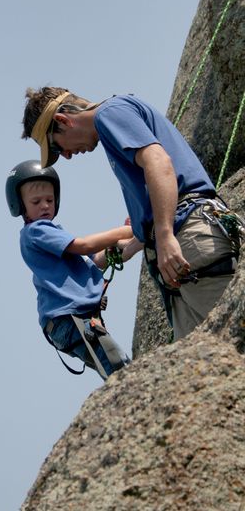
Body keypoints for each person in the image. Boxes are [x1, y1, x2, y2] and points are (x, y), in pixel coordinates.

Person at [21, 87, 243, 340]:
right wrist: (141, 235)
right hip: (180, 250)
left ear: (63, 120)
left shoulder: (110, 114)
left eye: (58, 148)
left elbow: (158, 161)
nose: (68, 156)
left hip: (187, 234)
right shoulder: (111, 127)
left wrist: (165, 234)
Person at [5, 159, 134, 380]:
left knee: (118, 367)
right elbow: (83, 245)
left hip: (71, 322)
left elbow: (99, 259)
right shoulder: (36, 231)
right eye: (36, 201)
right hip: (70, 320)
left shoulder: (54, 237)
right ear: (21, 206)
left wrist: (139, 238)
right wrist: (124, 230)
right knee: (121, 370)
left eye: (49, 199)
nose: (45, 205)